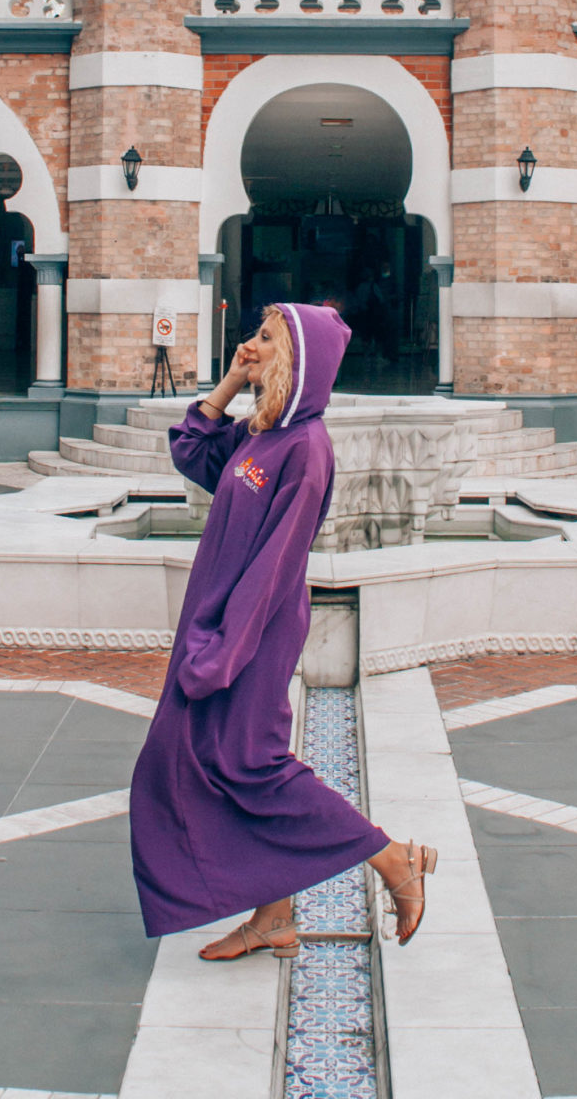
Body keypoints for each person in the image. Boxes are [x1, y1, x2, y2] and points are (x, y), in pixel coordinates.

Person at [129, 301, 436, 961]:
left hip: (250, 636)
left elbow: (274, 565)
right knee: (236, 763)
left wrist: (221, 653)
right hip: (220, 625)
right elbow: (191, 452)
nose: (252, 344)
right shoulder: (262, 434)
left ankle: (392, 861)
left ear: (299, 358)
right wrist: (230, 383)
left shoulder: (306, 448)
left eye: (265, 339)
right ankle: (275, 916)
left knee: (249, 765)